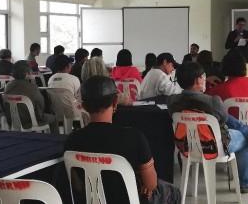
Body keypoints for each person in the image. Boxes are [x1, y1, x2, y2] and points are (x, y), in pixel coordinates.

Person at [64, 75, 181, 204]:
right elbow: (151, 184)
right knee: (172, 191)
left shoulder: (72, 140)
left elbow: (78, 186)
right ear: (115, 102)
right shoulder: (134, 137)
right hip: (130, 200)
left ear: (84, 107)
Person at [167, 62, 248, 193]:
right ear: (198, 80)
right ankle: (246, 183)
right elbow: (224, 119)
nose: (205, 79)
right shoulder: (212, 101)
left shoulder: (171, 101)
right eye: (203, 76)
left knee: (237, 129)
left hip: (187, 145)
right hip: (212, 146)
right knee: (245, 138)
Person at [207, 50, 248, 132]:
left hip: (233, 130)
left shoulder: (221, 89)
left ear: (224, 66)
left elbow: (203, 98)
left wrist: (206, 81)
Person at [4, 60, 59, 134]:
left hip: (13, 120)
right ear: (27, 74)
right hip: (31, 121)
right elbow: (41, 105)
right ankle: (55, 141)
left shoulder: (8, 86)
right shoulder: (32, 87)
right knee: (53, 118)